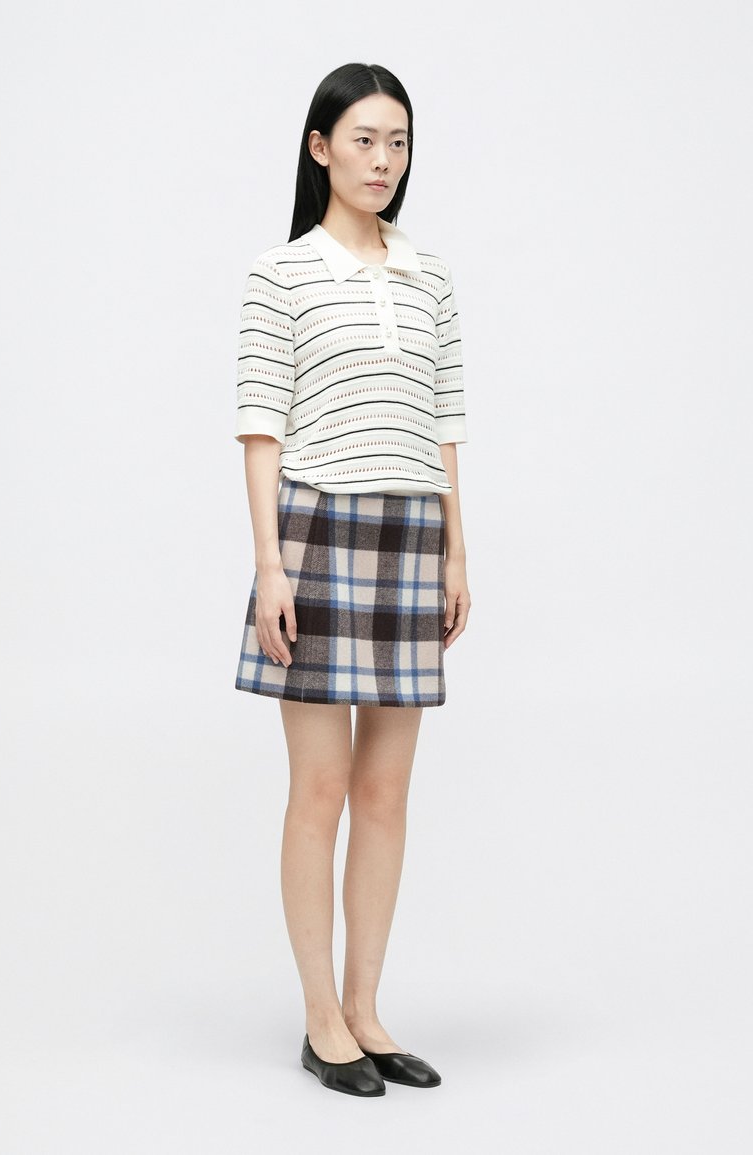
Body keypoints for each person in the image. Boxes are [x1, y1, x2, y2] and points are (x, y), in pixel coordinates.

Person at [232, 62, 471, 1097]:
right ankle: (319, 1017)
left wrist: (457, 548)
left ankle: (367, 1009)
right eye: (364, 139)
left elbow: (446, 419)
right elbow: (260, 426)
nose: (383, 160)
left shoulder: (430, 277)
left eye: (398, 141)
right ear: (320, 147)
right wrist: (269, 564)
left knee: (384, 791)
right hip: (318, 530)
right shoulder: (279, 274)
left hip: (412, 530)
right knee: (320, 787)